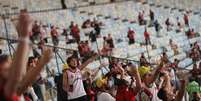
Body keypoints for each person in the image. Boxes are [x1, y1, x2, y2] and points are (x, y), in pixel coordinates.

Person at [0, 10, 53, 100]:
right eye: (6, 69)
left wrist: (42, 63)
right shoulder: (5, 91)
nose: (11, 70)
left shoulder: (15, 88)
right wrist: (23, 37)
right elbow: (18, 76)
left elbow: (24, 80)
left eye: (11, 67)